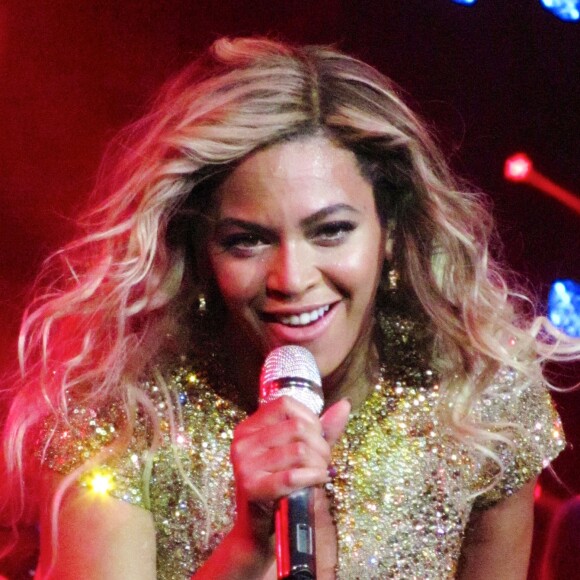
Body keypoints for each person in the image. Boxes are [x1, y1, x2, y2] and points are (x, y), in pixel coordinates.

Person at [1, 36, 578, 579]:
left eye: (330, 231)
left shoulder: (480, 407)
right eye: (246, 240)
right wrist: (249, 547)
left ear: (392, 232)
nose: (292, 279)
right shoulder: (121, 417)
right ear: (200, 251)